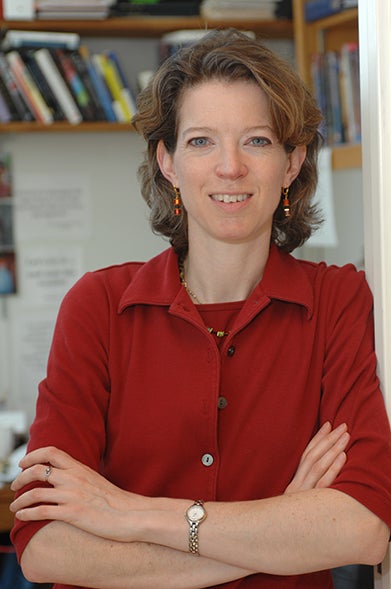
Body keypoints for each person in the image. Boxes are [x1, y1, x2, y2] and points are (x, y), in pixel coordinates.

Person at [9, 29, 391, 589]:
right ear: (168, 163)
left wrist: (130, 512)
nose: (230, 167)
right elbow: (44, 546)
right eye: (201, 141)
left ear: (291, 163)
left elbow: (360, 527)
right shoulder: (98, 307)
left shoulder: (338, 301)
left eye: (257, 141)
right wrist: (281, 528)